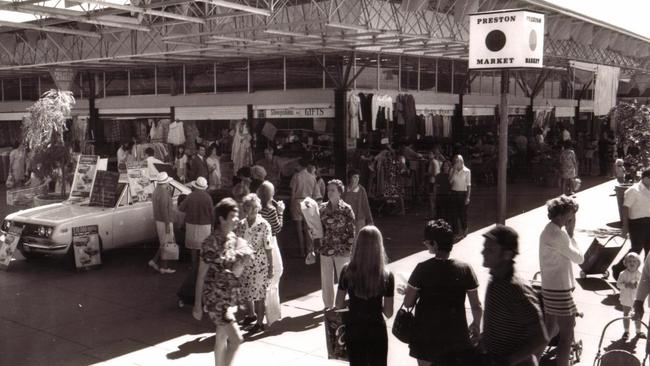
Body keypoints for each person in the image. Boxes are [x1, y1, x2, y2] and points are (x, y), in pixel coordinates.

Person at [402, 219, 482, 366]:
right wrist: (476, 324)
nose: (424, 243)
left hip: (426, 337)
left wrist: (410, 292)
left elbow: (408, 303)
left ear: (435, 244)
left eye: (427, 241)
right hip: (456, 337)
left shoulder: (422, 269)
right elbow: (476, 306)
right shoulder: (465, 269)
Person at [193, 198, 251, 366]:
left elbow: (234, 266)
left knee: (221, 339)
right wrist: (198, 305)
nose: (236, 219)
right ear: (221, 219)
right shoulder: (210, 243)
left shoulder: (233, 238)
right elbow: (201, 276)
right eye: (232, 216)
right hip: (215, 299)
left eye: (237, 215)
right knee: (237, 339)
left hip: (227, 297)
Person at [481, 225, 548, 366]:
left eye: (490, 250)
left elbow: (540, 337)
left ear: (507, 254)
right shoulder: (495, 279)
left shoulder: (516, 290)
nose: (483, 252)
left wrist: (507, 362)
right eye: (484, 247)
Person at [335, 225, 394, 366]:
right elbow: (388, 312)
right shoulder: (386, 275)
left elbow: (338, 304)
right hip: (376, 328)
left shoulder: (347, 270)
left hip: (354, 327)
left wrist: (352, 303)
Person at [539, 195, 583, 366]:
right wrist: (571, 233)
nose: (572, 218)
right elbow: (579, 258)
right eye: (571, 214)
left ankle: (531, 359)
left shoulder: (549, 229)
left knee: (550, 330)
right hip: (560, 290)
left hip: (549, 288)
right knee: (566, 336)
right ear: (561, 214)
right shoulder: (559, 235)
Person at [310, 179, 355, 310]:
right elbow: (317, 230)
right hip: (326, 248)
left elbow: (352, 231)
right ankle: (328, 305)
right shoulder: (321, 208)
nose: (329, 192)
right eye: (328, 190)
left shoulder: (347, 209)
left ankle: (342, 304)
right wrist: (313, 247)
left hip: (342, 249)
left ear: (340, 192)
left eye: (332, 190)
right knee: (326, 279)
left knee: (344, 279)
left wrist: (349, 249)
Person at [234, 194, 273, 333]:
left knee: (259, 294)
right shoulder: (241, 224)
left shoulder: (264, 225)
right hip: (244, 264)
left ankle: (260, 323)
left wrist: (271, 267)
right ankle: (251, 315)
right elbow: (236, 242)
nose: (252, 210)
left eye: (255, 207)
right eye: (249, 207)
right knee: (246, 291)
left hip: (259, 264)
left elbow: (269, 247)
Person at [177, 177, 214, 304]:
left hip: (192, 226)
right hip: (205, 227)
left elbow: (181, 208)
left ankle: (193, 267)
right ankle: (202, 269)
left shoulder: (191, 196)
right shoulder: (208, 198)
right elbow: (212, 214)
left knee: (193, 249)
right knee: (203, 251)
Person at [257, 181, 285, 326]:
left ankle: (265, 313)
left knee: (265, 277)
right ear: (271, 194)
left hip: (259, 245)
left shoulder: (256, 209)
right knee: (276, 272)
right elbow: (277, 228)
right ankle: (272, 313)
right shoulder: (271, 209)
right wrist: (280, 212)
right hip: (271, 243)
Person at [290, 158, 322, 257]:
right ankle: (310, 250)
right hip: (308, 201)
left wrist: (291, 205)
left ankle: (302, 251)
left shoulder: (296, 176)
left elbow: (293, 192)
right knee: (308, 229)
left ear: (300, 165)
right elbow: (316, 194)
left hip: (297, 201)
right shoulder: (312, 177)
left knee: (299, 229)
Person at [149, 172, 175, 274]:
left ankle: (154, 261)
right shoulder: (164, 192)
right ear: (166, 182)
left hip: (159, 220)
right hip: (165, 221)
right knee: (167, 245)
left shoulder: (156, 191)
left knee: (163, 244)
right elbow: (164, 210)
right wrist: (168, 223)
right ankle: (164, 267)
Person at [622, 168, 650, 258]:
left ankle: (647, 271)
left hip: (649, 222)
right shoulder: (633, 190)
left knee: (649, 251)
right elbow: (625, 208)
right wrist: (625, 227)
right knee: (636, 249)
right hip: (637, 224)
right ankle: (618, 269)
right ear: (646, 178)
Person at [617, 252, 644, 339]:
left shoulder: (640, 273)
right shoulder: (622, 274)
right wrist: (625, 285)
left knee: (638, 314)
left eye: (634, 261)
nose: (632, 263)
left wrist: (637, 284)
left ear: (638, 263)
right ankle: (626, 331)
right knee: (626, 314)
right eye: (629, 261)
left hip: (637, 298)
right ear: (625, 263)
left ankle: (638, 331)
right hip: (626, 298)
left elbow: (643, 283)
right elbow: (618, 284)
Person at [343, 169, 373, 235]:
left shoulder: (362, 190)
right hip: (347, 219)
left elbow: (366, 206)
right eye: (355, 177)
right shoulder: (344, 189)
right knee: (347, 238)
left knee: (358, 239)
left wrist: (370, 221)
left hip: (359, 220)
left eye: (358, 177)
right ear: (350, 178)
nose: (357, 179)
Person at [449, 154, 471, 238]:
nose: (457, 162)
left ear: (462, 161)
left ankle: (464, 228)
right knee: (454, 214)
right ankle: (456, 232)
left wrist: (468, 197)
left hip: (463, 193)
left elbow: (469, 185)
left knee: (462, 214)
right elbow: (450, 182)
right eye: (456, 161)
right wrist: (454, 171)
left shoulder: (467, 171)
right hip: (454, 193)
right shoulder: (452, 170)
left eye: (459, 161)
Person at [425, 150, 442, 218]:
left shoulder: (433, 162)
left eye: (431, 154)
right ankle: (432, 214)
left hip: (433, 181)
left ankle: (432, 214)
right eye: (429, 153)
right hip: (433, 181)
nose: (429, 155)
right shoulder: (434, 162)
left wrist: (427, 174)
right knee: (432, 199)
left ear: (434, 155)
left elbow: (435, 173)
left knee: (431, 199)